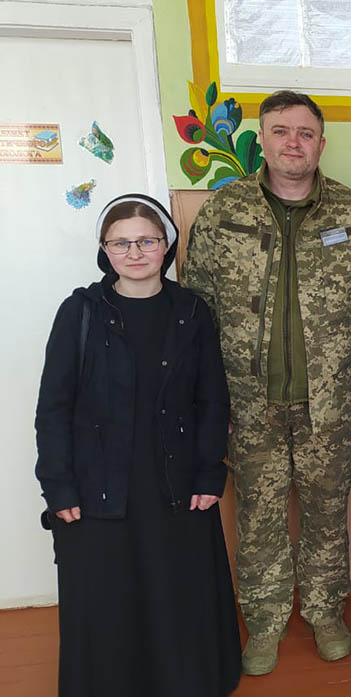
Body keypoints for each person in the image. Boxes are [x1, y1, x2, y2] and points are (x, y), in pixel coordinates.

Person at [183, 90, 351, 675]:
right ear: (262, 139)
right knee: (259, 517)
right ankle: (265, 623)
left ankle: (324, 612)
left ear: (321, 142)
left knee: (326, 512)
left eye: (304, 132)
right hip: (247, 403)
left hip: (332, 399)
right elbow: (197, 305)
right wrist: (205, 396)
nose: (293, 142)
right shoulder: (224, 211)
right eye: (280, 131)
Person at [35, 194, 241, 697]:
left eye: (146, 240)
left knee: (175, 589)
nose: (134, 252)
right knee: (109, 595)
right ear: (104, 250)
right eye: (120, 242)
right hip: (99, 483)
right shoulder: (79, 312)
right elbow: (53, 407)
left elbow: (212, 399)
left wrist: (210, 473)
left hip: (175, 479)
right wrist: (58, 487)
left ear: (166, 245)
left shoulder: (192, 311)